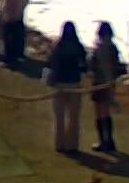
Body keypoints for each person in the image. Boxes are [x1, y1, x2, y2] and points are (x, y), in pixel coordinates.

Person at [47, 21, 89, 153]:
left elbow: (51, 64)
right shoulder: (78, 47)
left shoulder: (58, 46)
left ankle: (59, 144)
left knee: (59, 117)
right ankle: (72, 145)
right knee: (74, 117)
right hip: (74, 84)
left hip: (59, 85)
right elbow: (84, 65)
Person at [88, 21, 124, 152]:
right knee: (106, 112)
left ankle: (104, 141)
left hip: (100, 83)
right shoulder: (113, 47)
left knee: (100, 113)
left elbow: (94, 65)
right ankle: (109, 141)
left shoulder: (100, 47)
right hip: (110, 82)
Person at [0, 0, 30, 67]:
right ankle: (18, 54)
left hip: (11, 15)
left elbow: (8, 1)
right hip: (19, 14)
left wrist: (5, 12)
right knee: (18, 36)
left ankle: (10, 58)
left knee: (8, 37)